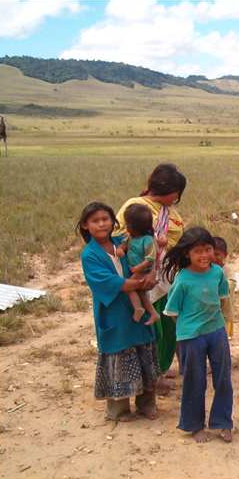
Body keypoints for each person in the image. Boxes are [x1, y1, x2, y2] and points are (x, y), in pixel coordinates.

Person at [77, 202, 160, 422]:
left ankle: (147, 404)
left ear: (114, 221)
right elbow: (112, 283)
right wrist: (142, 281)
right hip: (113, 311)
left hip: (135, 306)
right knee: (117, 355)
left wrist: (150, 275)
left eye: (106, 219)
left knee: (143, 351)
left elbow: (148, 254)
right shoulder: (90, 255)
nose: (102, 224)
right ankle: (119, 409)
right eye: (96, 220)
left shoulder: (123, 242)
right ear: (86, 225)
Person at [114, 163, 186, 391]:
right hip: (143, 278)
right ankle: (152, 376)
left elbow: (176, 240)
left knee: (167, 325)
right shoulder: (135, 207)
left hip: (166, 277)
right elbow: (122, 238)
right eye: (176, 193)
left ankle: (161, 369)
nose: (177, 198)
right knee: (152, 328)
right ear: (169, 190)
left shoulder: (169, 212)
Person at [162, 227, 233, 443]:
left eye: (208, 249)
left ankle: (223, 422)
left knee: (223, 378)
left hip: (217, 331)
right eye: (197, 251)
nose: (204, 256)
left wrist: (217, 323)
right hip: (191, 336)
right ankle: (194, 426)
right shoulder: (182, 280)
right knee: (195, 380)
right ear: (187, 254)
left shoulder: (218, 273)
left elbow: (221, 300)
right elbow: (173, 312)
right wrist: (189, 329)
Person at [116, 203, 160, 324]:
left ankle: (138, 308)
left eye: (127, 224)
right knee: (141, 292)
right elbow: (124, 245)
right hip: (137, 269)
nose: (125, 226)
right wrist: (120, 249)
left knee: (129, 287)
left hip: (142, 271)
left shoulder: (147, 239)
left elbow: (150, 258)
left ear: (135, 226)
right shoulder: (130, 237)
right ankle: (153, 313)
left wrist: (138, 268)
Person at [213, 236, 235, 339]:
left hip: (224, 314)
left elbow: (231, 284)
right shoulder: (207, 270)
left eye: (217, 254)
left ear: (225, 255)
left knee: (222, 338)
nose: (214, 257)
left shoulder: (227, 270)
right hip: (210, 314)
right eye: (211, 253)